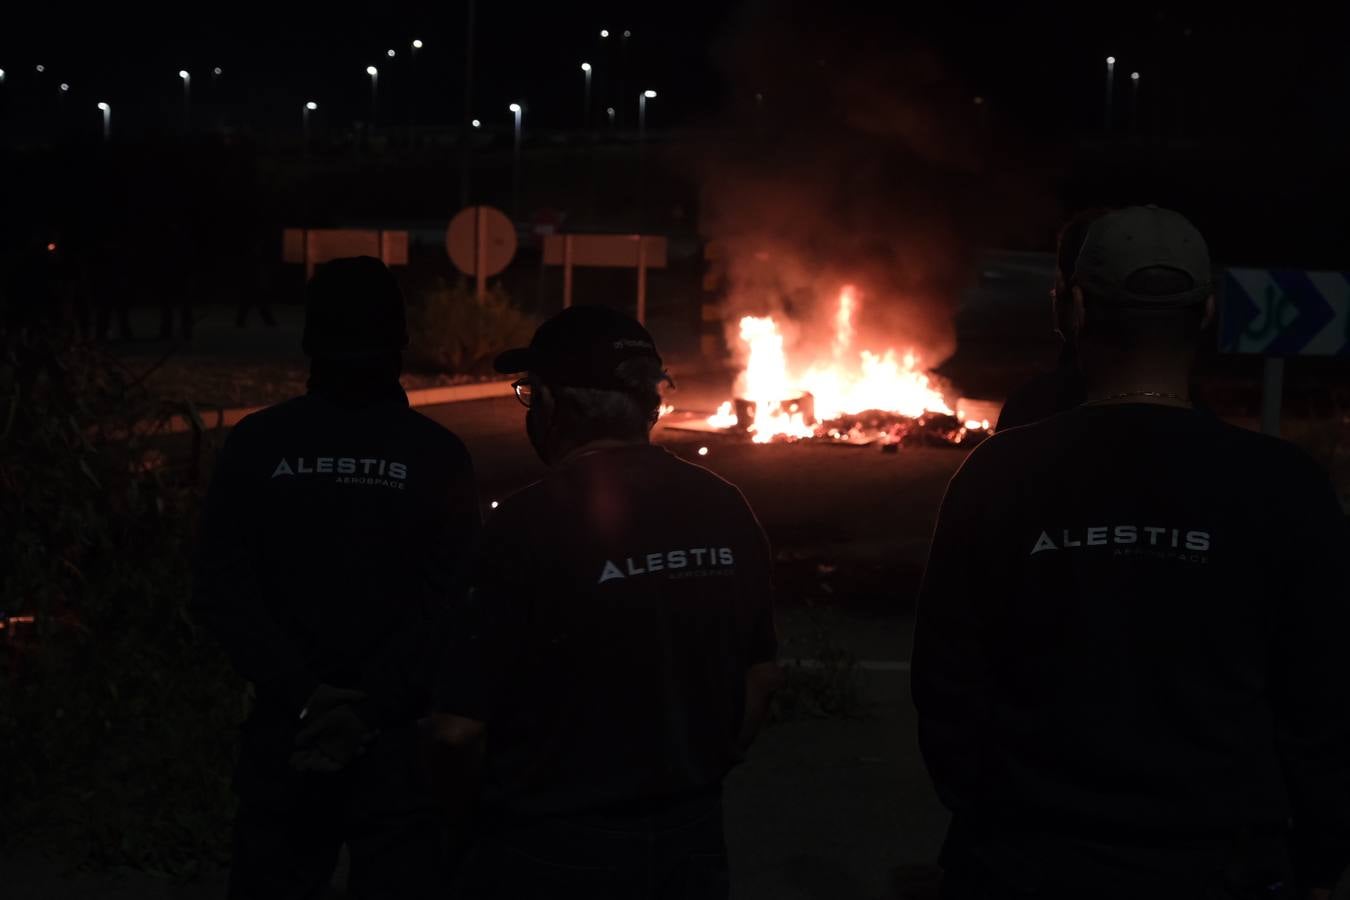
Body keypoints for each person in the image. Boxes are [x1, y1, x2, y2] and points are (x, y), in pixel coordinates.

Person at [913, 206, 1350, 900]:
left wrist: (989, 818)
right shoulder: (1285, 486)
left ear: (1073, 310)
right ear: (1206, 313)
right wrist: (1320, 855)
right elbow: (1320, 701)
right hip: (1222, 863)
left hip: (1029, 858)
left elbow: (947, 681)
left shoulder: (998, 474)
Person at [429, 305, 782, 900]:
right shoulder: (726, 506)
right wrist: (701, 771)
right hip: (691, 839)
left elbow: (457, 732)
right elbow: (762, 675)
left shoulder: (524, 523)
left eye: (529, 393)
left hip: (552, 847)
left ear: (555, 405)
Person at [194, 256, 481, 899]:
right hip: (398, 751)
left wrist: (304, 694)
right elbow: (447, 604)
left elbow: (220, 587)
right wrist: (369, 706)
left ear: (308, 341)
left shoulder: (258, 444)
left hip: (285, 739)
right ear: (402, 341)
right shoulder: (436, 455)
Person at [993, 208, 1107, 432]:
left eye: (1056, 285)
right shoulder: (1193, 430)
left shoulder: (1031, 413)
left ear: (1077, 301)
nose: (1052, 295)